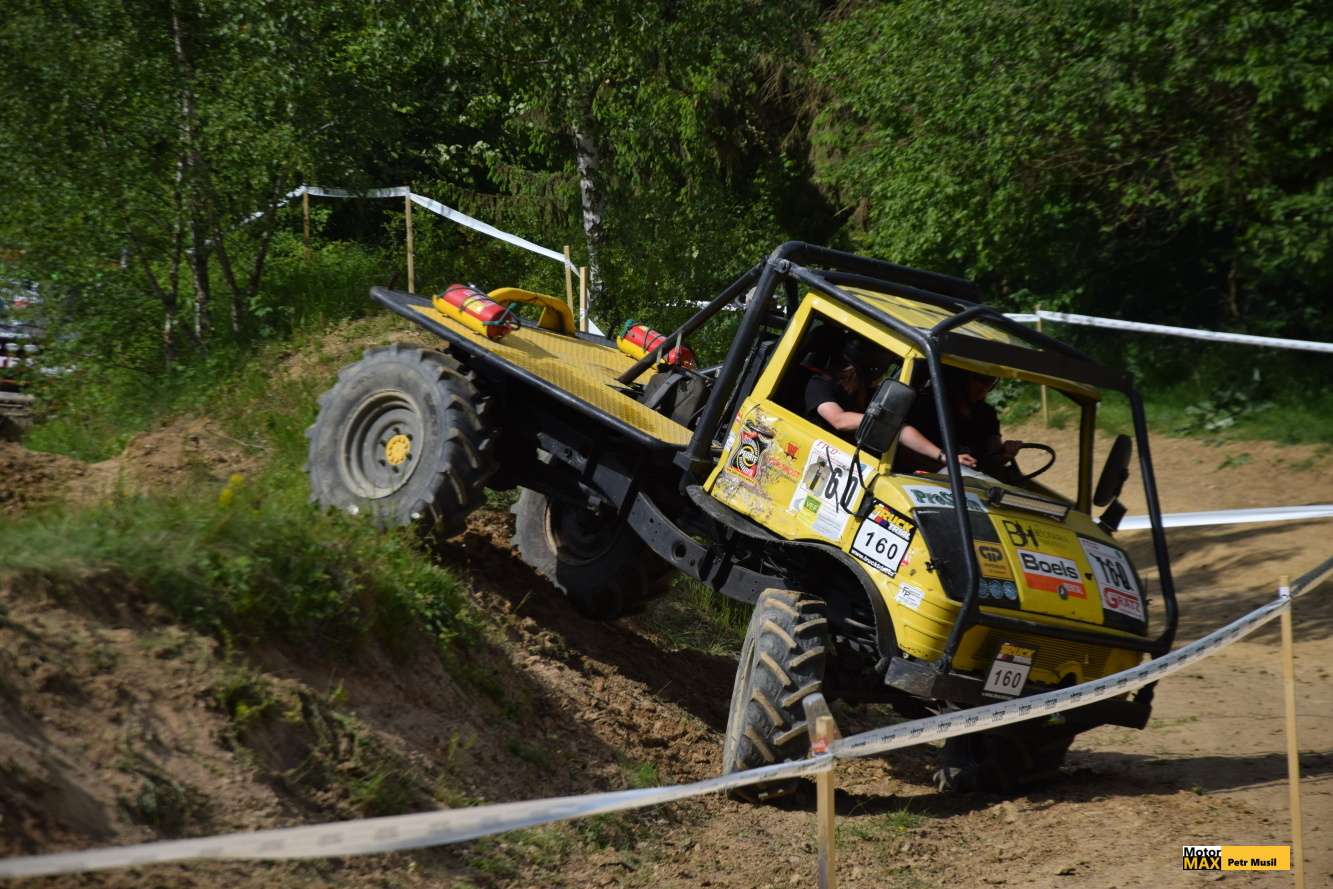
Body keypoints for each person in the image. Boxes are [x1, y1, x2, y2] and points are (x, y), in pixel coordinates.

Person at [895, 366, 1023, 473]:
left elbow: (993, 457)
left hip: (974, 482)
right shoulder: (927, 405)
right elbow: (902, 437)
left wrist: (1006, 453)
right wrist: (946, 459)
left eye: (991, 382)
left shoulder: (987, 413)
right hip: (930, 480)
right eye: (981, 380)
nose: (985, 388)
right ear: (961, 378)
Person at [802, 336, 891, 435]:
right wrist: (882, 423)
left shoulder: (866, 392)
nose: (880, 378)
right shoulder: (820, 384)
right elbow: (838, 420)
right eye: (880, 373)